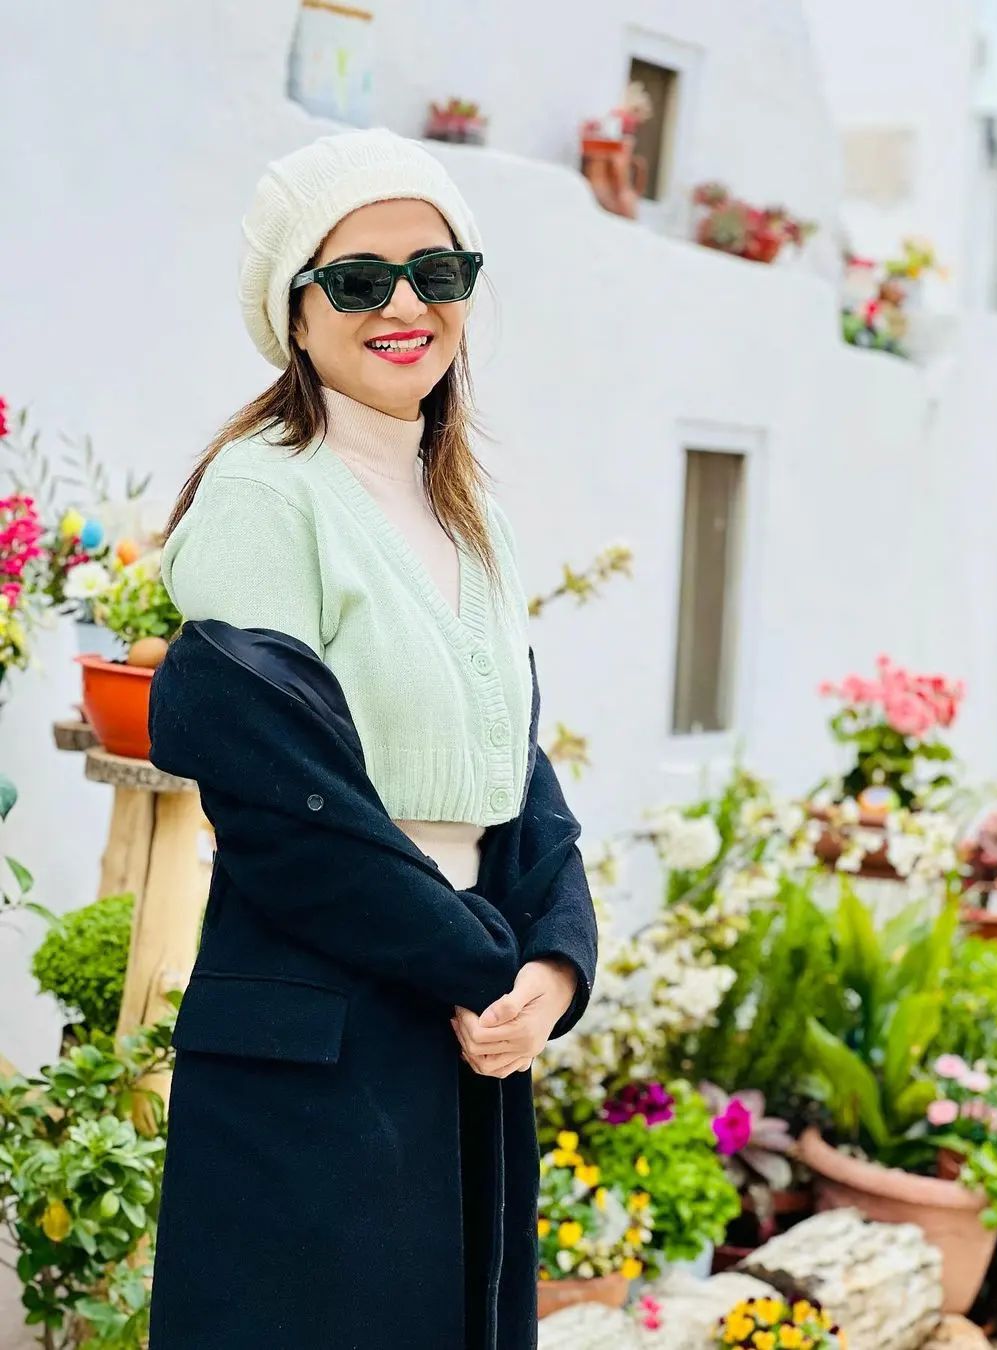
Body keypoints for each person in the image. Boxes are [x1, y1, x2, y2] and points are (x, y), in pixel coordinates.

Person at [146, 127, 598, 1349]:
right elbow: (288, 809)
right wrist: (483, 965)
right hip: (319, 1036)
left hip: (464, 1026)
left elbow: (518, 777)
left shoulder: (470, 515)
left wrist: (553, 967)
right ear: (295, 316)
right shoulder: (266, 493)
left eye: (437, 273)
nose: (405, 305)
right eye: (358, 279)